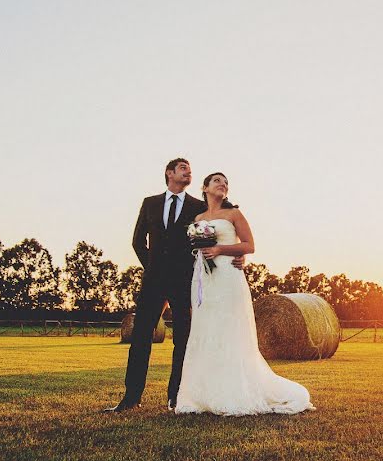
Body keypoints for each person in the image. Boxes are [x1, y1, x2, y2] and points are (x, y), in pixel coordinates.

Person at [105, 158, 243, 412]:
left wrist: (235, 253)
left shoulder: (198, 207)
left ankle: (175, 397)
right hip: (153, 281)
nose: (188, 172)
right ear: (169, 173)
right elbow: (137, 241)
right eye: (183, 168)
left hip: (185, 282)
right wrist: (153, 267)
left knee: (183, 339)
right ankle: (131, 398)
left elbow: (220, 221)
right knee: (140, 338)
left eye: (190, 170)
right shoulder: (150, 203)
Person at [174, 171, 315, 415]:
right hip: (205, 280)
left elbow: (249, 245)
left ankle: (234, 391)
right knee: (207, 331)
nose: (223, 184)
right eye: (217, 180)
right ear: (205, 187)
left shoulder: (234, 214)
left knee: (229, 330)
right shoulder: (197, 217)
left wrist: (220, 249)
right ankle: (202, 395)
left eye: (226, 182)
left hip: (228, 277)